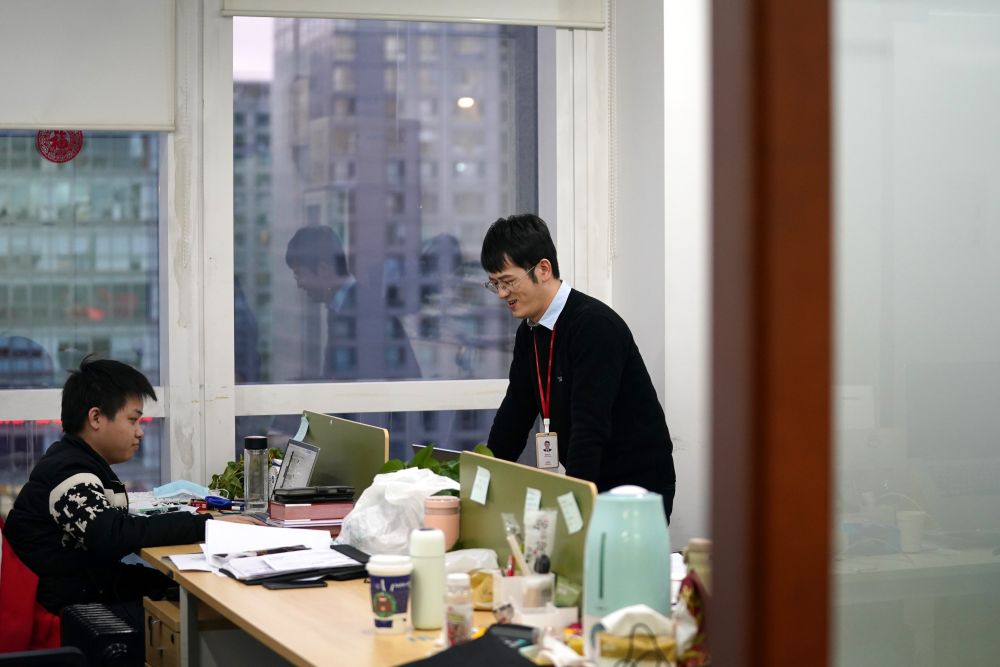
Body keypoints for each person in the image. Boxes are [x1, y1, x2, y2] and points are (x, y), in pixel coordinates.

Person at [481, 214, 676, 520]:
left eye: (508, 281)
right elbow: (514, 415)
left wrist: (570, 506)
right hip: (590, 480)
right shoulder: (529, 332)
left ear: (543, 269)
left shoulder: (593, 326)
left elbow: (590, 427)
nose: (503, 294)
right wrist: (481, 483)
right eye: (495, 284)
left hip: (634, 488)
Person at [3, 357, 229, 621]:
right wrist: (206, 525)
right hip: (61, 612)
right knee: (190, 614)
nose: (140, 432)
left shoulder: (81, 461)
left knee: (188, 589)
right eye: (133, 420)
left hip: (84, 586)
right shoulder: (69, 471)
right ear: (96, 418)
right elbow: (111, 534)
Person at [285, 225, 420, 380]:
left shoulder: (365, 312)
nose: (299, 284)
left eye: (299, 274)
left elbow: (366, 385)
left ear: (323, 270)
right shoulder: (342, 306)